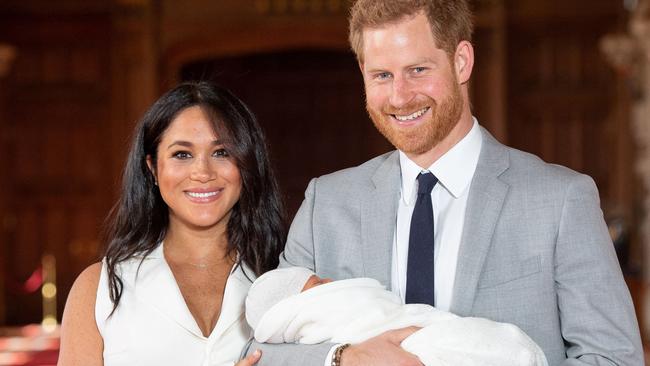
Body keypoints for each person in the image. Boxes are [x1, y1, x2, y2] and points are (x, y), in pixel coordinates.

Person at [248, 0, 644, 365]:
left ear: (461, 61)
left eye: (417, 70)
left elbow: (613, 357)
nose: (399, 97)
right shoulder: (327, 204)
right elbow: (260, 352)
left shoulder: (560, 200)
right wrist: (343, 358)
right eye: (381, 75)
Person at [58, 81, 286, 366]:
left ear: (246, 163)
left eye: (221, 152)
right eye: (182, 154)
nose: (202, 172)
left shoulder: (283, 276)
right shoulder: (97, 289)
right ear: (152, 167)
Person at [245, 267, 548, 366]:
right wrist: (345, 357)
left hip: (425, 330)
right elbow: (262, 354)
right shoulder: (321, 200)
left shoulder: (564, 194)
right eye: (320, 284)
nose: (330, 283)